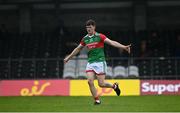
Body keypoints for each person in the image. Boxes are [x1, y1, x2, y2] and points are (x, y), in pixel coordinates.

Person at [64, 19, 131, 105]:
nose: (88, 29)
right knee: (90, 81)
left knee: (101, 84)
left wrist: (124, 47)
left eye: (90, 27)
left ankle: (114, 86)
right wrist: (68, 58)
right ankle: (97, 100)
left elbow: (111, 42)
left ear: (94, 27)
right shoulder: (85, 39)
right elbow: (78, 48)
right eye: (87, 27)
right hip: (90, 63)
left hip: (100, 62)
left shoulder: (100, 36)